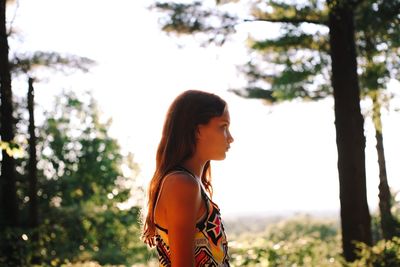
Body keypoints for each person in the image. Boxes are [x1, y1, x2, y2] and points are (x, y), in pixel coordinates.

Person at [142, 90, 234, 267]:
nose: (230, 138)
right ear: (198, 130)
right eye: (223, 127)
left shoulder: (191, 183)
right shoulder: (181, 184)